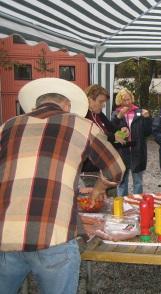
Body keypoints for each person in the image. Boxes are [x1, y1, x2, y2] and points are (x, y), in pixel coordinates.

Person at [0, 78, 125, 293]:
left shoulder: (7, 126)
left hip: (5, 236)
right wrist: (99, 188)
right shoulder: (81, 125)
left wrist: (71, 189)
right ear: (67, 106)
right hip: (53, 236)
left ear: (35, 106)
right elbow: (116, 169)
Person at [111, 88, 152, 195]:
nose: (127, 102)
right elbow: (111, 130)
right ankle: (122, 204)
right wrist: (119, 117)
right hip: (122, 152)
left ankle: (137, 204)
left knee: (138, 182)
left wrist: (147, 119)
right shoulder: (116, 113)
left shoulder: (140, 112)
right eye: (124, 100)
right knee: (122, 182)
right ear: (120, 101)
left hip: (137, 151)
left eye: (129, 99)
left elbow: (148, 132)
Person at [83, 84, 129, 173]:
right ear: (89, 99)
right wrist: (112, 136)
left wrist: (122, 129)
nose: (103, 105)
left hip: (105, 164)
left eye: (104, 102)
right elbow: (92, 134)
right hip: (91, 166)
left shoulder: (99, 114)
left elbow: (111, 128)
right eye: (101, 102)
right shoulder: (83, 115)